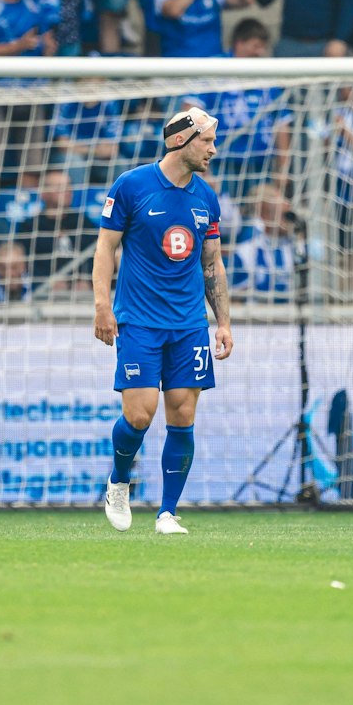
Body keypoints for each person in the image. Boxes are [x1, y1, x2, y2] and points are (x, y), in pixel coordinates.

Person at [92, 105, 233, 535]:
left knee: (183, 413)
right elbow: (105, 249)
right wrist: (102, 304)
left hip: (189, 323)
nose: (213, 149)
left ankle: (167, 512)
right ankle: (119, 481)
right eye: (206, 141)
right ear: (179, 140)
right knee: (139, 415)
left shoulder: (206, 197)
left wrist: (223, 322)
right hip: (139, 320)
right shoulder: (132, 186)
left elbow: (213, 263)